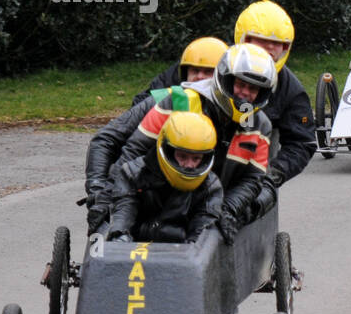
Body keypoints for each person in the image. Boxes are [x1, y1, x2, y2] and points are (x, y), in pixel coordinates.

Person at [93, 44, 278, 244]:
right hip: (156, 199)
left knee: (265, 194)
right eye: (241, 84)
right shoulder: (176, 101)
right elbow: (132, 152)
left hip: (212, 205)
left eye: (253, 89)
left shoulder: (261, 125)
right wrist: (104, 198)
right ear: (225, 79)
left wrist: (228, 210)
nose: (245, 93)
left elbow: (253, 179)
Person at [232, 0, 316, 209]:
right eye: (261, 41)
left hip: (254, 174)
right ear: (243, 39)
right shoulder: (211, 61)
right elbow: (157, 96)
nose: (270, 49)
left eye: (277, 44)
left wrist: (271, 176)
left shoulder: (291, 90)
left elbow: (302, 143)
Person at [105, 111, 223, 244]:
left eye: (196, 158)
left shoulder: (211, 187)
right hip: (134, 251)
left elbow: (201, 239)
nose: (189, 165)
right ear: (168, 150)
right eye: (183, 156)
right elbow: (123, 214)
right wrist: (119, 236)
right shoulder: (132, 174)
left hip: (181, 257)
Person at [132, 36, 229, 105]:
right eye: (195, 71)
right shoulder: (174, 96)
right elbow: (140, 102)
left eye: (208, 72)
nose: (199, 76)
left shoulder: (234, 103)